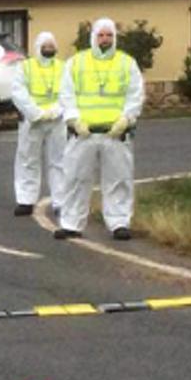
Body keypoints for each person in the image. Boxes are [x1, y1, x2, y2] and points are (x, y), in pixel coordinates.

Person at [54, 18, 144, 241]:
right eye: (101, 35)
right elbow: (66, 94)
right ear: (93, 37)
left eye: (109, 35)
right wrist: (74, 120)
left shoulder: (127, 63)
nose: (105, 39)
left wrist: (126, 119)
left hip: (115, 134)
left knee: (118, 180)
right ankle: (71, 223)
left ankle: (119, 223)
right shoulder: (76, 63)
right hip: (83, 133)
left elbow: (135, 95)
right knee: (75, 179)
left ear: (115, 38)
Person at [11, 31, 66, 217]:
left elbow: (70, 92)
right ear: (38, 47)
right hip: (32, 121)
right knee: (27, 160)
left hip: (57, 120)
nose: (49, 49)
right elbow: (18, 91)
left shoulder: (63, 67)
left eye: (51, 46)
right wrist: (35, 113)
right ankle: (26, 200)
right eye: (45, 46)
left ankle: (61, 201)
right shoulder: (25, 67)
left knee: (59, 161)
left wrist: (57, 110)